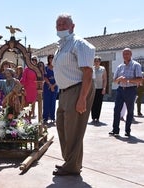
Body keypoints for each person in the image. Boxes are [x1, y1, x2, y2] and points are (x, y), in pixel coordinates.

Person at [52, 13, 95, 176]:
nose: (60, 27)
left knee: (73, 129)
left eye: (64, 24)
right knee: (64, 128)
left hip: (77, 89)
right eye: (58, 25)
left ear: (72, 26)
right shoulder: (61, 46)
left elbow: (88, 72)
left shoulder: (79, 44)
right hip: (64, 92)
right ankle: (72, 161)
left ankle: (72, 165)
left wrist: (82, 98)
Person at [109, 48, 142, 137]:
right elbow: (114, 80)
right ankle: (115, 130)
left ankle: (127, 130)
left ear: (131, 54)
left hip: (131, 90)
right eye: (124, 54)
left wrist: (127, 80)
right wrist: (118, 79)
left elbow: (139, 79)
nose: (125, 56)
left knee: (130, 111)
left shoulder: (136, 65)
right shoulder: (120, 67)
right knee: (116, 110)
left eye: (127, 54)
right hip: (120, 90)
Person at [90, 56, 107, 125]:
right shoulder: (91, 69)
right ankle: (93, 117)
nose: (96, 62)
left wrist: (104, 88)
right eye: (95, 61)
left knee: (99, 103)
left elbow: (105, 79)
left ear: (100, 62)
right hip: (93, 88)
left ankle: (97, 117)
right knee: (92, 103)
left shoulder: (103, 69)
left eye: (98, 61)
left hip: (100, 88)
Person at [20, 55, 38, 122]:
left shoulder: (37, 69)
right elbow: (23, 78)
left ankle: (29, 117)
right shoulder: (27, 69)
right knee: (26, 103)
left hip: (34, 88)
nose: (34, 61)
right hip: (27, 87)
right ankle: (26, 117)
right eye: (32, 60)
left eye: (35, 60)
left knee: (32, 104)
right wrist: (22, 86)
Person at [43, 55, 58, 124]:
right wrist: (50, 85)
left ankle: (52, 117)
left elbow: (59, 77)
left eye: (52, 58)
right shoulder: (46, 68)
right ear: (48, 59)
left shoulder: (57, 67)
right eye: (50, 58)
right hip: (47, 87)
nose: (51, 60)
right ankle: (45, 118)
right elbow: (45, 77)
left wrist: (53, 86)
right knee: (46, 102)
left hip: (55, 86)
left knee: (53, 102)